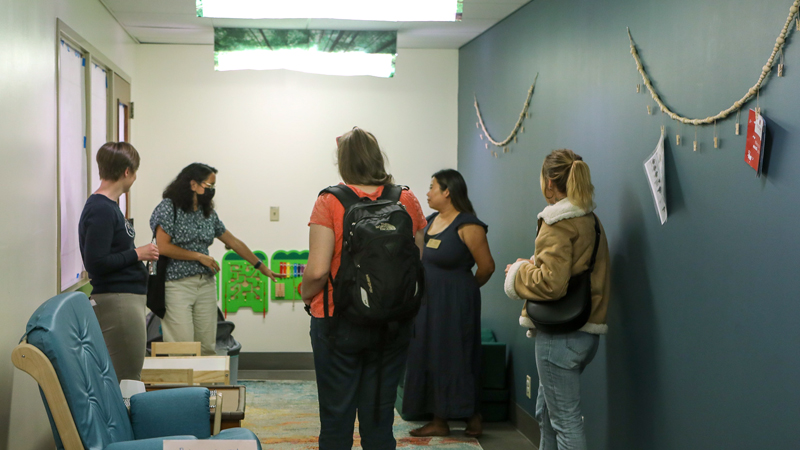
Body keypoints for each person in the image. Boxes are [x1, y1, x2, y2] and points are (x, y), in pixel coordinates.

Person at [302, 127, 427, 450]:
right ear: (377, 157)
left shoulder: (330, 201)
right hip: (393, 322)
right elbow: (415, 261)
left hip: (337, 320)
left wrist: (304, 294)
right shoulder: (406, 199)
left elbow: (316, 270)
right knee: (379, 418)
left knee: (336, 417)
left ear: (342, 161)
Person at [503, 149, 610, 450]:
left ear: (550, 182)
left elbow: (551, 284)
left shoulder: (558, 221)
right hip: (584, 332)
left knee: (564, 422)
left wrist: (518, 272)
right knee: (547, 414)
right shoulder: (589, 218)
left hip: (559, 339)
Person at [149, 163, 280, 356]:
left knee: (207, 347)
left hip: (205, 285)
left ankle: (205, 386)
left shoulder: (206, 212)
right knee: (181, 348)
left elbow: (233, 241)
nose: (212, 191)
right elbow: (162, 247)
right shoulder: (169, 208)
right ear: (193, 184)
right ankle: (185, 387)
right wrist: (199, 256)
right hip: (176, 286)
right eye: (209, 186)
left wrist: (261, 266)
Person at [402, 169, 495, 438]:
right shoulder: (430, 222)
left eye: (432, 187)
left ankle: (472, 415)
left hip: (456, 305)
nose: (428, 193)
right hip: (428, 304)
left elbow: (487, 267)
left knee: (457, 356)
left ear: (448, 191)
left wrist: (463, 291)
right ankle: (438, 419)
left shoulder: (469, 225)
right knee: (429, 355)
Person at [79, 142, 159, 382]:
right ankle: (124, 419)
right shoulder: (101, 209)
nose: (134, 178)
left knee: (127, 372)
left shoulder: (110, 207)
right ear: (127, 172)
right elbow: (96, 263)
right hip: (117, 302)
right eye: (134, 172)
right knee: (127, 376)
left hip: (125, 299)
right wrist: (138, 254)